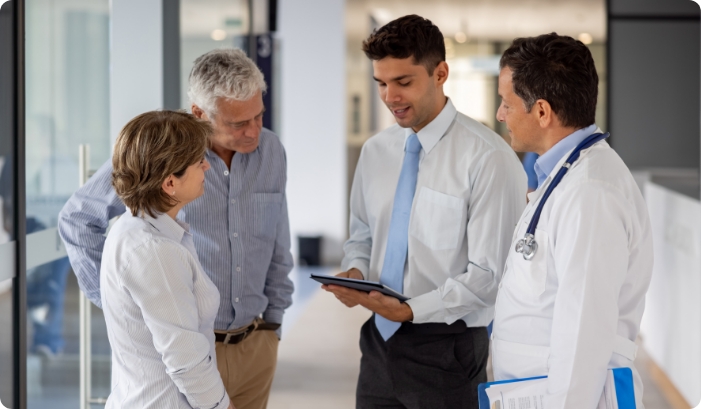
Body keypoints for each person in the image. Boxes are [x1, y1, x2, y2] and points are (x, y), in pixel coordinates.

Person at [58, 49, 293, 409]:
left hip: (254, 345)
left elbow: (278, 238)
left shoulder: (272, 151)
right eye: (237, 123)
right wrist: (121, 305)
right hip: (185, 354)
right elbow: (78, 219)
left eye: (259, 115)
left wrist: (273, 325)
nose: (254, 130)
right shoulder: (160, 151)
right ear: (200, 114)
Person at [323, 15, 526, 408]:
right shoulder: (376, 152)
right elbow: (362, 235)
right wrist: (356, 272)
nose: (389, 97)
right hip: (378, 341)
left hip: (447, 347)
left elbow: (489, 275)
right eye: (381, 83)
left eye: (403, 82)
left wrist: (411, 310)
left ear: (440, 74)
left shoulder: (489, 158)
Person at [492, 33, 652, 408]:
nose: (500, 114)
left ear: (542, 111)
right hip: (534, 389)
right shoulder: (568, 177)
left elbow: (584, 331)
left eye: (506, 103)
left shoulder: (591, 193)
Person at [102, 110, 232, 409]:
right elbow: (185, 358)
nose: (207, 166)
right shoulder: (154, 251)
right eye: (198, 162)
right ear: (170, 183)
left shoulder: (135, 229)